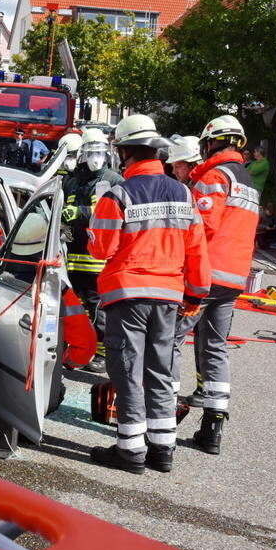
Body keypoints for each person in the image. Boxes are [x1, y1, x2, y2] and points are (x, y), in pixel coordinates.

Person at [87, 114, 210, 474]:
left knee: (127, 371)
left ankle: (130, 451)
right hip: (170, 295)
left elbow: (100, 249)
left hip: (128, 294)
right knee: (160, 372)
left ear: (124, 152)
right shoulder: (184, 193)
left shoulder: (119, 194)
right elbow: (198, 249)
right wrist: (196, 295)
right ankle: (163, 449)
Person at [173, 114, 259, 456]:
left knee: (172, 341)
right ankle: (212, 430)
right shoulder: (247, 180)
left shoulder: (214, 176)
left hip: (206, 276)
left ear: (212, 143)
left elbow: (202, 227)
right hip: (233, 279)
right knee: (215, 348)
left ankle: (162, 420)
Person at [61, 129, 123, 373]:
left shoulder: (114, 180)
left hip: (97, 258)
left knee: (99, 308)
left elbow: (114, 213)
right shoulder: (73, 179)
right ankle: (74, 348)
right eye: (91, 151)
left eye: (99, 151)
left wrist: (81, 213)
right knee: (72, 308)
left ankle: (100, 354)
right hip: (71, 256)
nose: (95, 156)